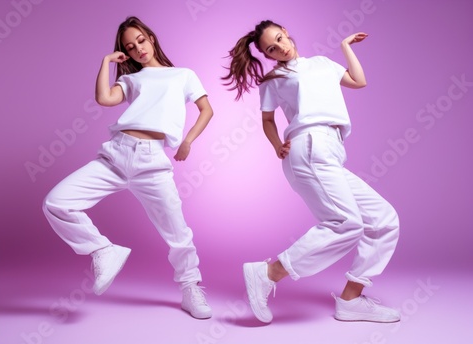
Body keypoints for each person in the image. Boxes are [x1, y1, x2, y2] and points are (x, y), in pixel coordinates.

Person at [222, 20, 400, 323]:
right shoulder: (275, 79)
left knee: (383, 221)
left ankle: (351, 300)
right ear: (268, 54)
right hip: (308, 146)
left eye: (280, 38)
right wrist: (277, 144)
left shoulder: (322, 64)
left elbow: (358, 81)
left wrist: (344, 48)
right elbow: (267, 119)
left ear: (287, 32)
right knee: (344, 223)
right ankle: (268, 272)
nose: (280, 47)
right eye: (271, 48)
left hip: (331, 149)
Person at [42, 16, 213, 319]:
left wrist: (187, 141)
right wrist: (107, 62)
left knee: (178, 233)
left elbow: (206, 109)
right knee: (56, 202)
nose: (138, 50)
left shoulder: (183, 74)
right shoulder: (132, 79)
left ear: (151, 37)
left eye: (140, 41)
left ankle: (190, 287)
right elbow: (104, 98)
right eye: (130, 48)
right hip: (116, 154)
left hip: (152, 161)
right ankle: (102, 250)